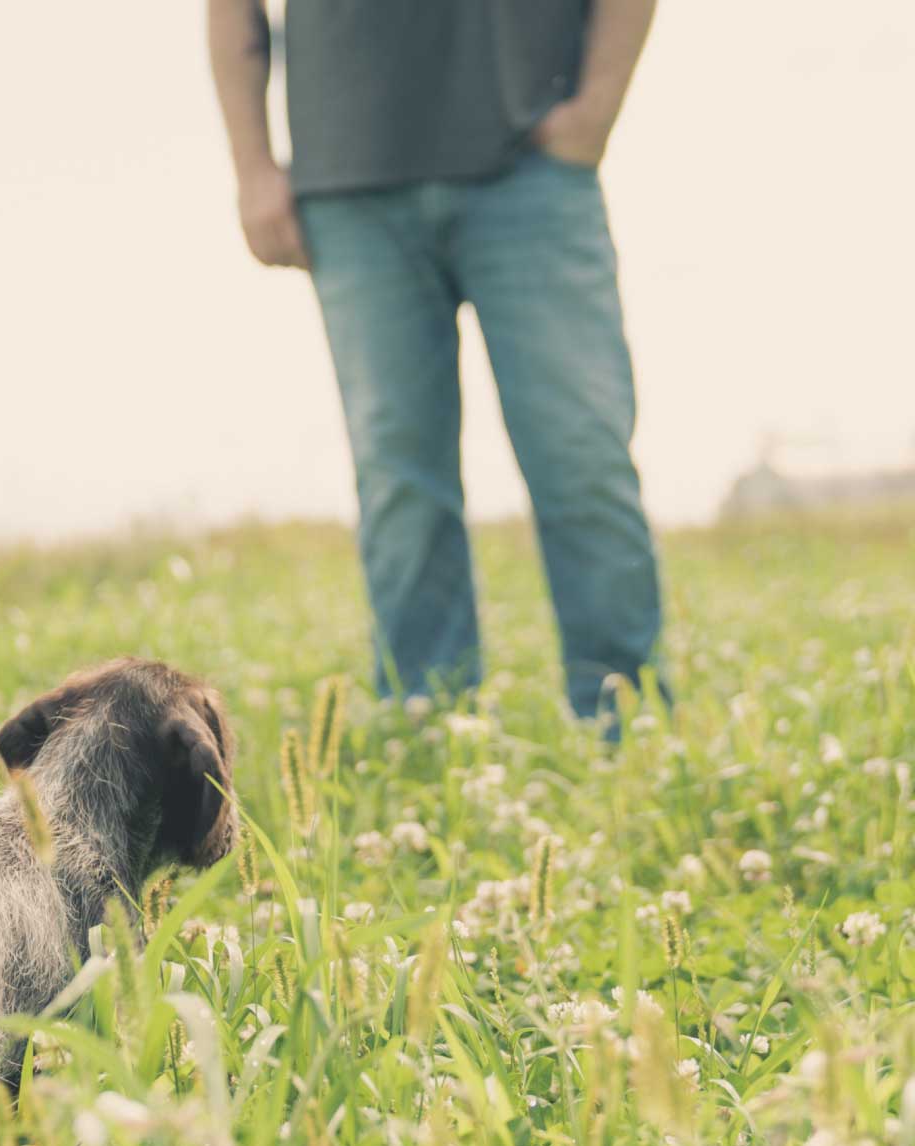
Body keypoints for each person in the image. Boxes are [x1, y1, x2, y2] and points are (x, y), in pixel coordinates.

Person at [208, 0, 667, 721]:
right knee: (400, 479)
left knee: (582, 458)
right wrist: (253, 166)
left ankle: (628, 730)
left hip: (530, 170)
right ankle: (427, 732)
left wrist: (594, 112)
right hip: (349, 186)